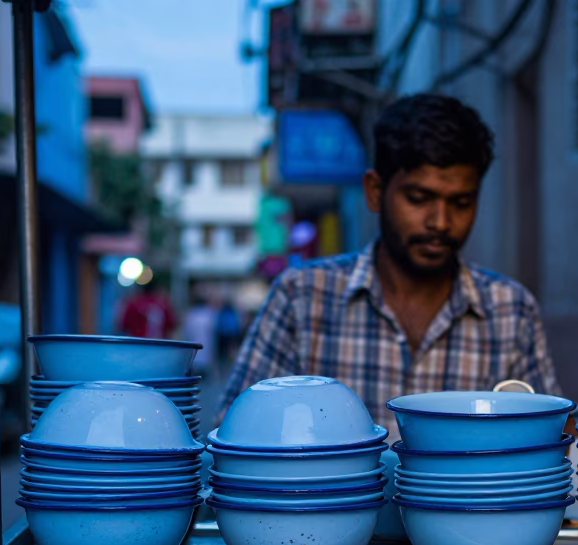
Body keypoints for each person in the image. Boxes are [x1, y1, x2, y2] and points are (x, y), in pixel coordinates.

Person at [220, 93, 560, 436]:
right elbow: (237, 435)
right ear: (374, 191)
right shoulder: (301, 298)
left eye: (460, 202)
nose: (440, 222)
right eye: (418, 199)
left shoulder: (511, 312)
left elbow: (549, 441)